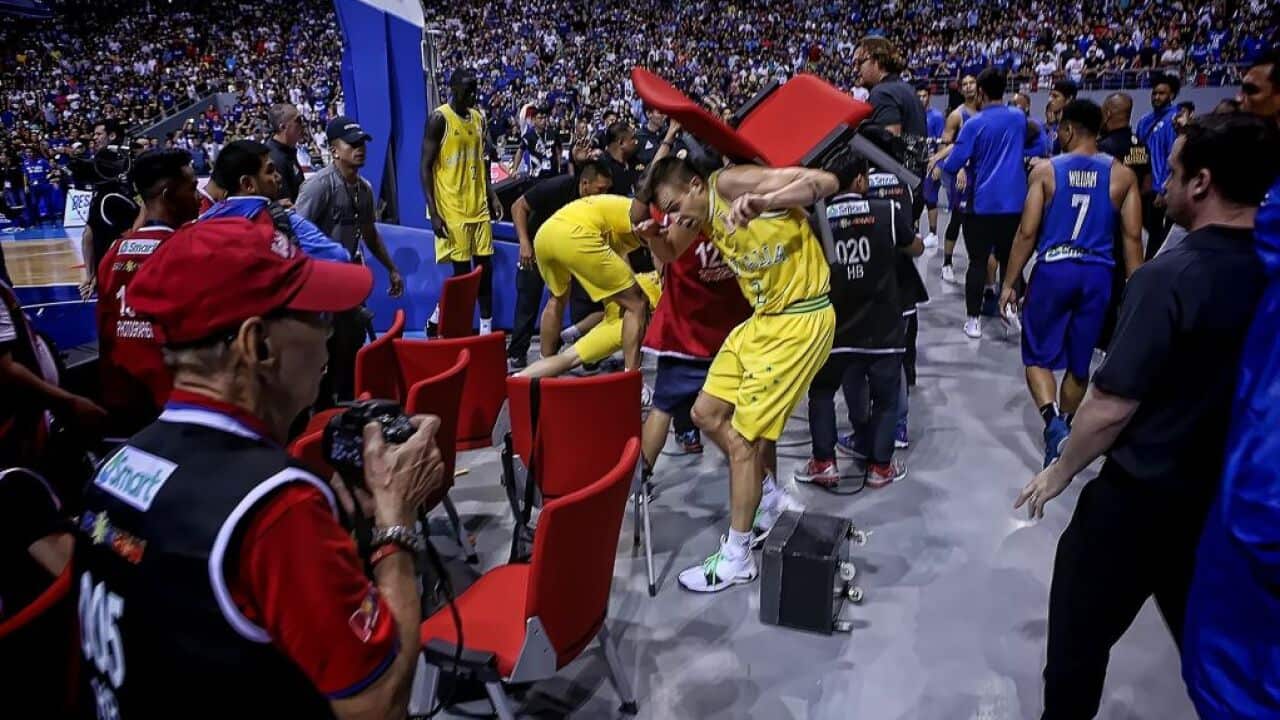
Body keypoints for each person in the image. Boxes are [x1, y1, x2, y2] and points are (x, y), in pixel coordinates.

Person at [75, 216, 448, 718]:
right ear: (258, 346)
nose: (330, 331)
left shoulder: (115, 466)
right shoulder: (276, 506)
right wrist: (395, 524)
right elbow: (377, 705)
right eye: (317, 316)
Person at [1014, 113, 1277, 720]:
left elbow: (1109, 406)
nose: (1162, 183)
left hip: (1141, 499)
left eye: (1174, 171)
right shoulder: (1271, 269)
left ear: (1202, 183)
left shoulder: (1172, 276)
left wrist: (1059, 472)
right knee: (1220, 660)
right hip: (1221, 505)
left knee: (1078, 647)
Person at [639, 157, 837, 593]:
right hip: (761, 320)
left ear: (696, 185)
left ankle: (737, 556)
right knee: (705, 413)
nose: (674, 218)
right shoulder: (696, 215)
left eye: (674, 207)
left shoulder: (730, 183)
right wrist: (655, 239)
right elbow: (671, 252)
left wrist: (767, 199)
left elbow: (825, 181)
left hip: (799, 318)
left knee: (746, 442)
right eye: (666, 213)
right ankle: (765, 496)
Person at [1182, 50, 1280, 720]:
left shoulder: (1182, 272)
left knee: (1231, 677)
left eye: (1252, 89)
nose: (1241, 99)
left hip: (1261, 489)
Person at [1000, 100, 1143, 468]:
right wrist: (1137, 292)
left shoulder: (1047, 172)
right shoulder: (1122, 176)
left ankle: (1053, 425)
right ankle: (1064, 425)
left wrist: (1009, 282)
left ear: (1066, 130)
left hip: (1054, 270)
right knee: (1080, 364)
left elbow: (1026, 232)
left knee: (1036, 355)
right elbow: (1132, 240)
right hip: (1097, 275)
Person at [798, 154, 922, 489]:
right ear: (860, 180)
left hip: (834, 326)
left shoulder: (815, 221)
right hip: (883, 325)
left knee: (822, 392)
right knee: (885, 399)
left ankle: (824, 463)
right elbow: (917, 248)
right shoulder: (887, 213)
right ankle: (880, 468)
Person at [296, 116, 405, 405]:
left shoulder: (365, 189)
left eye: (362, 144)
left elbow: (370, 233)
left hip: (347, 283)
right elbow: (294, 233)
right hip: (319, 286)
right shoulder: (318, 187)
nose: (360, 149)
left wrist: (392, 268)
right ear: (334, 150)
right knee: (324, 358)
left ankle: (343, 408)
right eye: (352, 144)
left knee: (350, 350)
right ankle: (321, 416)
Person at [96, 149, 202, 436]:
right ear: (167, 195)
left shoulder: (114, 253)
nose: (198, 197)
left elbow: (105, 330)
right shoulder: (187, 252)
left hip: (123, 400)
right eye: (192, 188)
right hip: (175, 405)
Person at [638, 208, 752, 464]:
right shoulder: (740, 218)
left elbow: (661, 263)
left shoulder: (673, 224)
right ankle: (762, 486)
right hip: (733, 333)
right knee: (747, 413)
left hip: (685, 333)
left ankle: (639, 485)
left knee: (663, 406)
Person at [941, 68, 1029, 339]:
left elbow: (954, 162)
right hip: (1015, 204)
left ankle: (973, 321)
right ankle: (1016, 312)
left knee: (977, 263)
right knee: (1011, 261)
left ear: (980, 92)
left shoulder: (974, 124)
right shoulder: (1018, 118)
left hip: (982, 206)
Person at [529, 194, 652, 381]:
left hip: (545, 234)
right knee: (637, 304)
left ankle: (543, 370)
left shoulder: (614, 219)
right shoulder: (644, 217)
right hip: (576, 234)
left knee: (557, 299)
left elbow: (619, 263)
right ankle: (634, 384)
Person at [507, 161, 614, 370]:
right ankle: (518, 353)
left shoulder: (598, 203)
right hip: (537, 249)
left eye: (607, 190)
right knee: (528, 300)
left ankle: (582, 353)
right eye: (600, 189)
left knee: (583, 301)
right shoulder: (557, 187)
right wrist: (524, 243)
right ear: (584, 184)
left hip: (570, 252)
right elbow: (517, 206)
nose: (604, 194)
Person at [421, 67, 503, 336]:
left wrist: (491, 195)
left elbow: (482, 161)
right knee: (462, 276)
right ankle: (445, 323)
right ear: (453, 89)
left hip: (478, 205)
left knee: (485, 269)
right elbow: (424, 168)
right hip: (452, 208)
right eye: (468, 88)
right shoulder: (439, 119)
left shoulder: (479, 118)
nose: (473, 94)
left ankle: (486, 330)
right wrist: (433, 212)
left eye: (475, 88)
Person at [199, 140, 350, 264]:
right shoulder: (286, 221)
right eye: (270, 171)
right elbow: (339, 257)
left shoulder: (201, 226)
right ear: (248, 184)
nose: (278, 177)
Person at [1096, 92, 1151, 350]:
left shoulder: (1105, 148)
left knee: (1105, 276)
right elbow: (1147, 184)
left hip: (1109, 222)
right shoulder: (1140, 144)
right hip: (1134, 218)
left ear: (1107, 113)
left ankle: (1101, 336)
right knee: (1122, 277)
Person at [80, 120, 140, 300]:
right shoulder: (105, 190)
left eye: (99, 134)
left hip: (125, 258)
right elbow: (88, 232)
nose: (94, 138)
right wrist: (91, 274)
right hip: (116, 261)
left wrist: (91, 274)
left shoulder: (125, 175)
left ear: (112, 136)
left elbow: (88, 233)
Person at [928, 73, 979, 284]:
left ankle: (978, 262)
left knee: (980, 219)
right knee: (959, 217)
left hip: (981, 172)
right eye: (964, 84)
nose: (968, 87)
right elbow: (949, 145)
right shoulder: (957, 116)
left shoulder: (987, 111)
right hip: (961, 174)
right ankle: (947, 263)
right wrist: (946, 163)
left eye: (971, 83)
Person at [1137, 73, 1181, 259]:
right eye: (1154, 93)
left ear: (1172, 95)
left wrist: (1163, 190)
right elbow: (1137, 154)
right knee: (1141, 230)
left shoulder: (1175, 121)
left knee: (1157, 235)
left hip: (1160, 189)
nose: (1157, 97)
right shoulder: (1144, 120)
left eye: (1162, 93)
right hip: (1143, 187)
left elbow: (1174, 157)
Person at [856, 37, 926, 138]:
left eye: (859, 63)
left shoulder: (882, 92)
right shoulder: (907, 88)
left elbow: (890, 141)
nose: (855, 69)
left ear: (876, 61)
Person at [264, 103, 307, 205]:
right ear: (283, 127)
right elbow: (287, 204)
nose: (303, 125)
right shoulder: (275, 159)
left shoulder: (287, 150)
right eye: (298, 121)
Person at [919, 87, 945, 247]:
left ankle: (933, 233)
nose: (922, 98)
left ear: (929, 97)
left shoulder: (937, 116)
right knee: (915, 199)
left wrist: (938, 164)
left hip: (931, 162)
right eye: (919, 96)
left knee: (930, 198)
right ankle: (915, 231)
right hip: (916, 162)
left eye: (924, 95)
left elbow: (943, 141)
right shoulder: (913, 116)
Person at [512, 105, 561, 179]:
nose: (543, 120)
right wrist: (514, 170)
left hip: (552, 175)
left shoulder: (553, 133)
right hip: (536, 177)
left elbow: (558, 150)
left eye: (545, 118)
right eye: (540, 118)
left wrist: (559, 167)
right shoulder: (528, 136)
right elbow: (520, 151)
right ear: (534, 120)